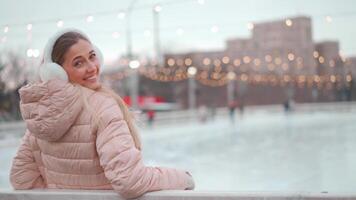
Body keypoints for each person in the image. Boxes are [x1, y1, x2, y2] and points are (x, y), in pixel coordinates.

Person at [9, 29, 194, 199]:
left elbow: (22, 179)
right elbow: (129, 180)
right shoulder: (102, 107)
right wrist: (181, 178)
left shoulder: (40, 115)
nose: (91, 67)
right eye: (78, 63)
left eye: (92, 56)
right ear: (57, 73)